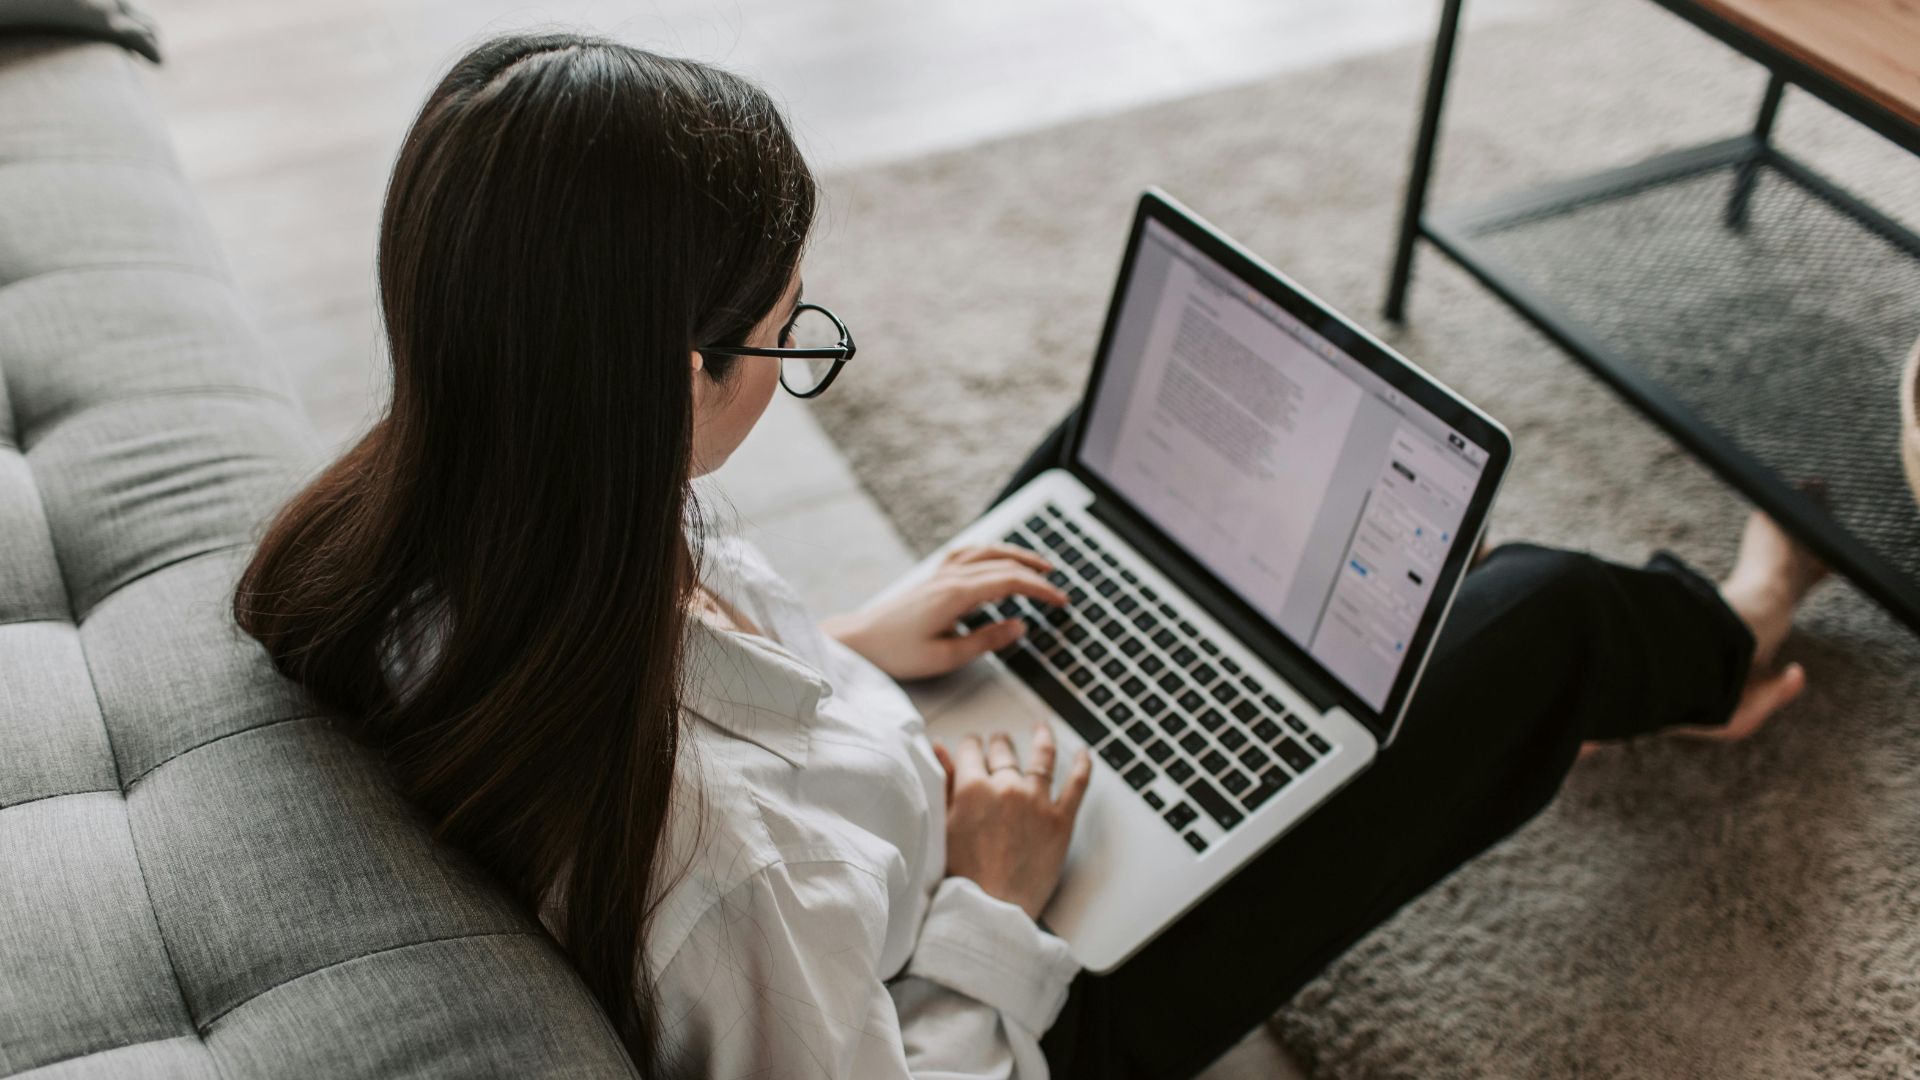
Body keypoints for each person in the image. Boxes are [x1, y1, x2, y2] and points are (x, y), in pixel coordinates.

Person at [231, 32, 1828, 1080]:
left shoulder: (458, 512)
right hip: (1014, 988)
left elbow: (671, 704)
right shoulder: (723, 881)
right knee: (1527, 615)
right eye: (793, 342)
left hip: (885, 800)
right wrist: (1001, 899)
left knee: (1102, 483)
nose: (796, 363)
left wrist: (852, 645)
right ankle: (1731, 636)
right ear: (670, 379)